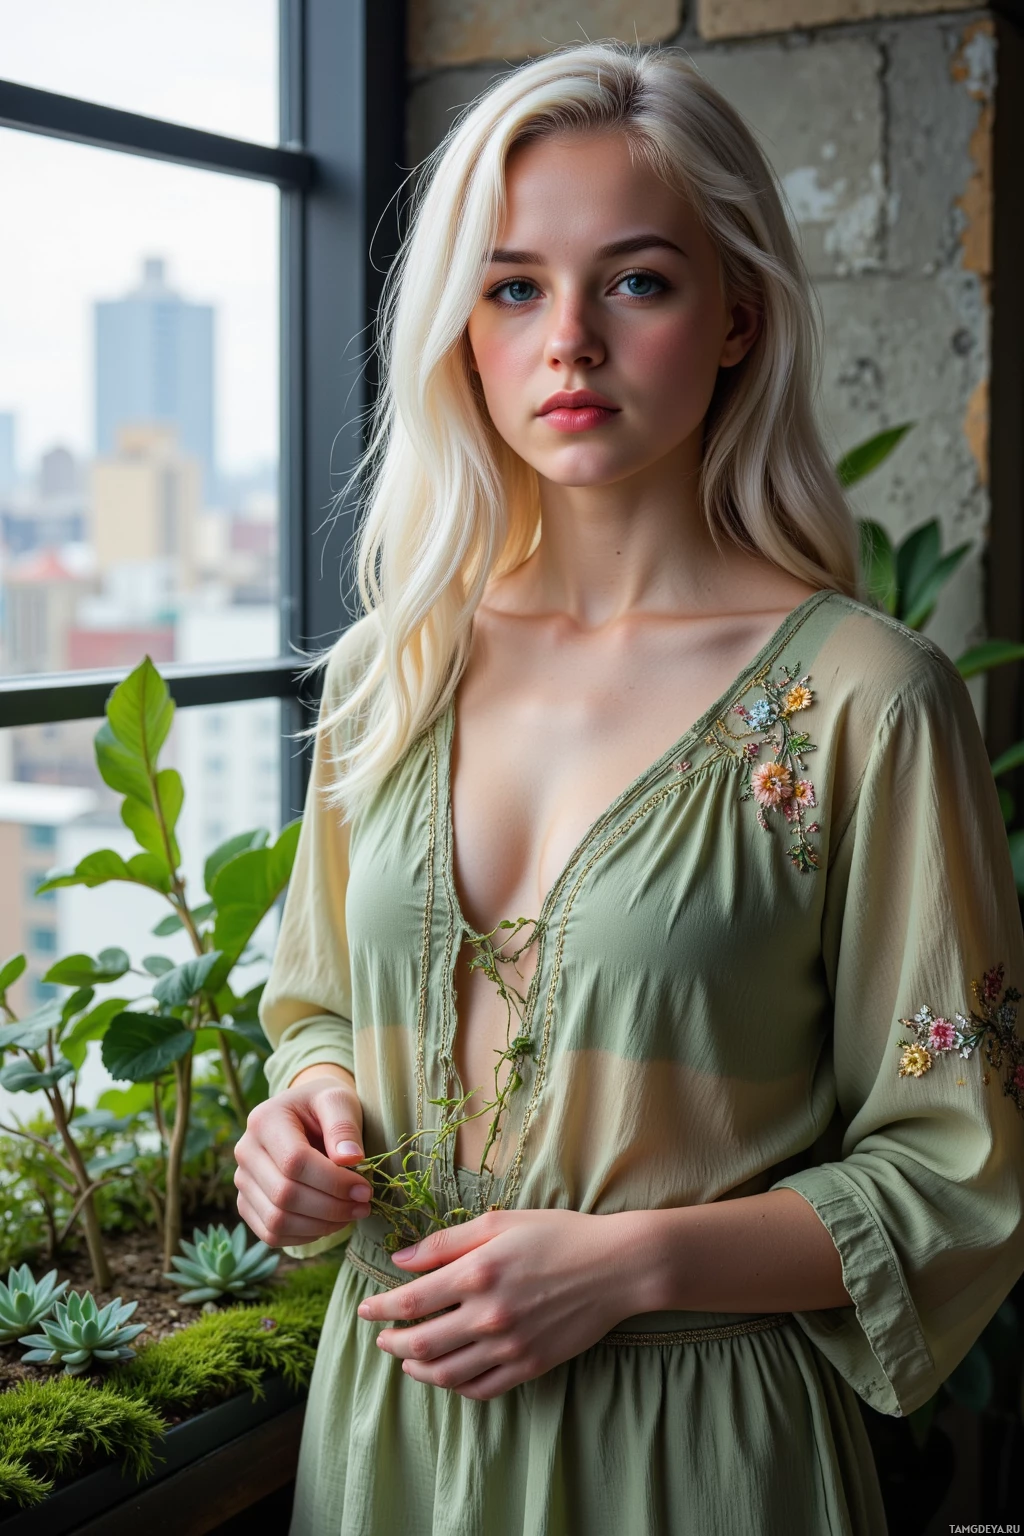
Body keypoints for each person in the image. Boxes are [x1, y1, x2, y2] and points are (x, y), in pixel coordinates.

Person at [233, 40, 1024, 1536]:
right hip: (390, 1432)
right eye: (514, 285)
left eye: (638, 282)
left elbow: (961, 1166)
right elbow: (319, 1005)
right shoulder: (394, 672)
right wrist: (307, 1113)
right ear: (459, 325)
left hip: (698, 1450)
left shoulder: (867, 702)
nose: (568, 343)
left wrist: (633, 1266)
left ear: (737, 316)